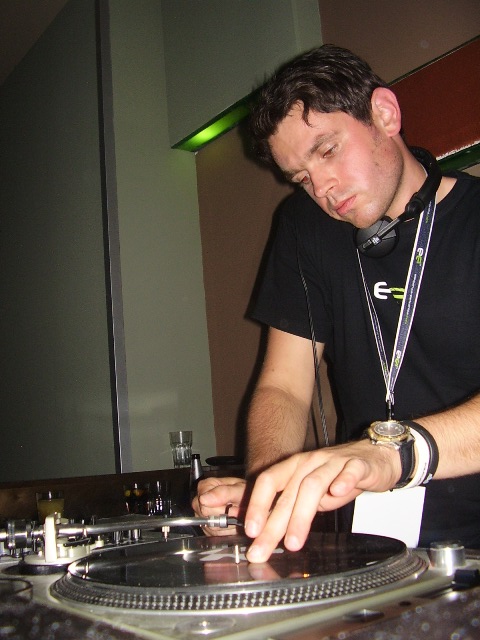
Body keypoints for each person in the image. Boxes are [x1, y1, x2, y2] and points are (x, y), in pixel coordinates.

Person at [192, 44, 480, 563]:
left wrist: (395, 454)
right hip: (373, 546)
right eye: (301, 178)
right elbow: (284, 385)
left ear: (384, 114)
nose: (322, 188)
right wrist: (270, 490)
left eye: (326, 151)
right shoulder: (305, 227)